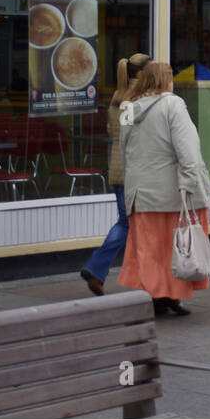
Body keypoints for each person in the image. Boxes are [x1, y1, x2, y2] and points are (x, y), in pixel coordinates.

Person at [116, 62, 210, 315]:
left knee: (149, 249)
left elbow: (124, 152)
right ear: (167, 81)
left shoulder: (128, 108)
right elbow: (188, 150)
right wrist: (191, 183)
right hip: (170, 192)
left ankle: (157, 296)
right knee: (175, 246)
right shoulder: (173, 104)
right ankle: (172, 295)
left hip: (140, 193)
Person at [79, 52, 149, 296]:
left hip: (118, 169)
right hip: (134, 170)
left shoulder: (118, 97)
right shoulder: (139, 98)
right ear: (140, 73)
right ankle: (97, 268)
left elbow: (112, 130)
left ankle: (102, 270)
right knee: (130, 224)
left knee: (127, 222)